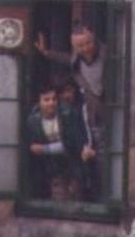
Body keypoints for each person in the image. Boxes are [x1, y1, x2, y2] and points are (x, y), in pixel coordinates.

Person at [36, 22, 105, 184]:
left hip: (109, 112)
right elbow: (66, 58)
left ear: (94, 40)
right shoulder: (77, 59)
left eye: (88, 43)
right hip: (92, 115)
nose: (85, 48)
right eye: (80, 46)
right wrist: (46, 53)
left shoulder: (108, 56)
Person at [25, 86, 86, 201]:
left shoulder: (68, 114)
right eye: (46, 100)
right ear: (39, 102)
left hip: (71, 164)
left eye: (54, 99)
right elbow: (31, 148)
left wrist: (45, 149)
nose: (51, 103)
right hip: (49, 169)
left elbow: (74, 143)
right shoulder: (32, 121)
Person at [57, 77, 99, 199]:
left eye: (69, 91)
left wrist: (87, 147)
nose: (66, 95)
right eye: (63, 92)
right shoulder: (59, 111)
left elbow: (85, 129)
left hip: (81, 154)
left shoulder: (81, 108)